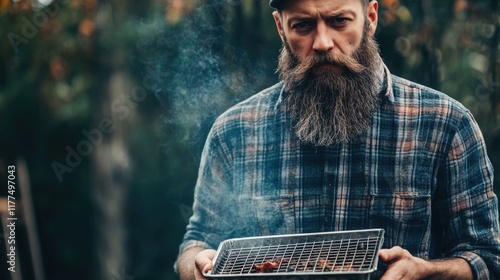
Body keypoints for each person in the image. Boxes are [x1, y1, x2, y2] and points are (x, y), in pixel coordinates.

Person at [175, 0, 500, 279]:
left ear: (370, 17)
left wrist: (424, 271)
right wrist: (197, 265)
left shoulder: (445, 123)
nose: (322, 42)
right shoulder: (234, 132)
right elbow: (197, 243)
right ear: (280, 27)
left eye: (339, 21)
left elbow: (486, 259)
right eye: (302, 25)